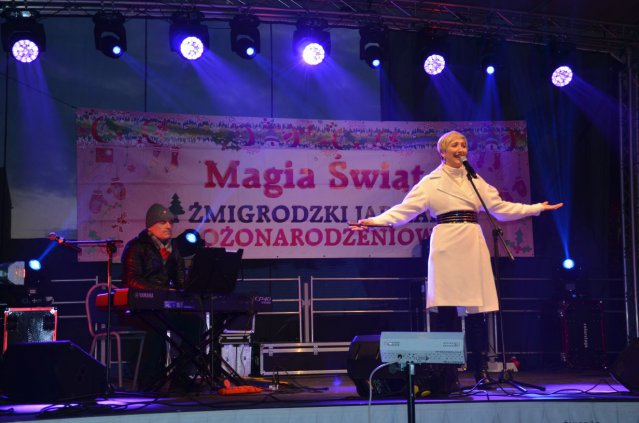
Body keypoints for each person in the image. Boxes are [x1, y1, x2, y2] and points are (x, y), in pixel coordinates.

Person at [352, 131, 563, 385]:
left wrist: (537, 208)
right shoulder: (431, 182)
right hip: (446, 244)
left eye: (463, 144)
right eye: (455, 145)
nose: (461, 148)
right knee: (447, 312)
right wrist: (374, 221)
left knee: (476, 312)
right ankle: (446, 375)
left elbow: (500, 208)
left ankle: (480, 372)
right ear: (442, 152)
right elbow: (404, 211)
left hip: (472, 242)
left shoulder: (475, 179)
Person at [121, 203, 202, 393]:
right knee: (155, 326)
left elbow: (181, 281)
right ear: (151, 225)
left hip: (164, 308)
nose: (168, 226)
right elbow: (131, 280)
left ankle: (180, 376)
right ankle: (149, 380)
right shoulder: (136, 247)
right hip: (139, 309)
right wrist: (161, 291)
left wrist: (193, 286)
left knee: (195, 324)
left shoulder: (174, 249)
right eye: (163, 222)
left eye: (170, 222)